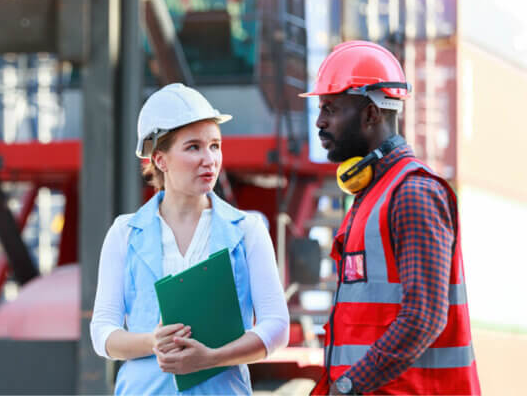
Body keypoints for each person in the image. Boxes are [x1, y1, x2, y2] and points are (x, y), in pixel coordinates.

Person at [300, 41, 480, 395]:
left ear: (371, 114)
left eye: (331, 109)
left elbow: (424, 317)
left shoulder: (413, 193)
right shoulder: (374, 194)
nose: (320, 122)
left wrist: (349, 386)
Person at [90, 83, 289, 395]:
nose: (209, 159)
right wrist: (152, 342)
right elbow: (102, 333)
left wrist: (212, 358)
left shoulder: (247, 230)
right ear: (159, 159)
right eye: (193, 147)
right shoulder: (124, 233)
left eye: (215, 145)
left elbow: (276, 327)